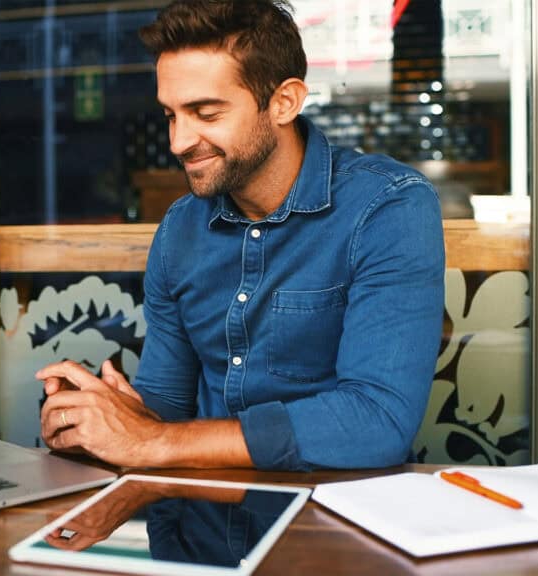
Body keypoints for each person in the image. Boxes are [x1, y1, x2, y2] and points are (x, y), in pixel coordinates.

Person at [36, 0, 444, 471]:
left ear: (284, 102)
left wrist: (157, 440)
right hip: (200, 524)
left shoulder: (387, 207)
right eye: (171, 115)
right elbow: (166, 406)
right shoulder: (180, 230)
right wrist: (98, 421)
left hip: (337, 522)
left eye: (206, 114)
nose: (178, 142)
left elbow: (377, 423)